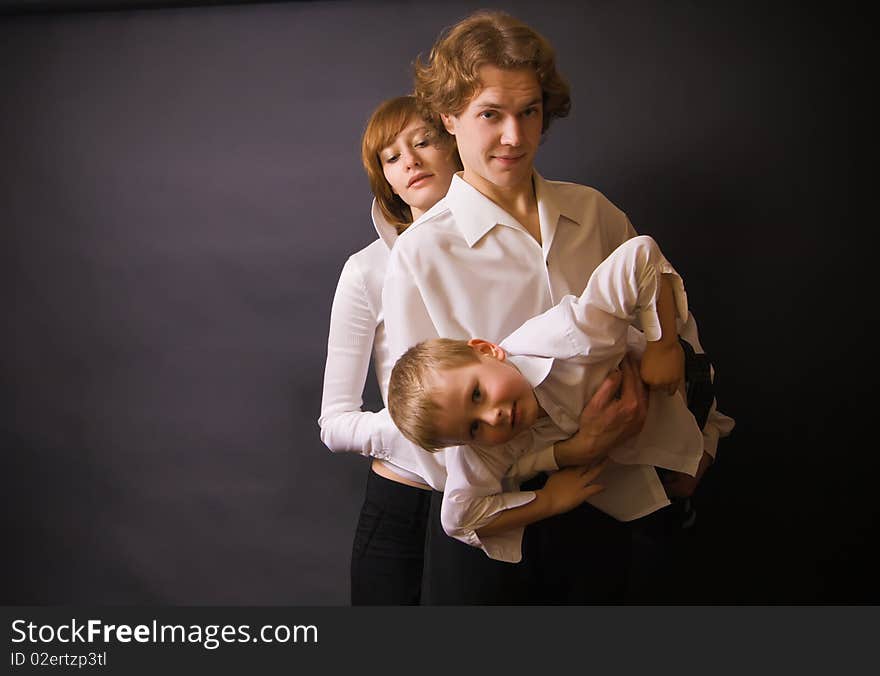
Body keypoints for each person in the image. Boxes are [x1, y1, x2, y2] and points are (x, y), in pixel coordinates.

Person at [382, 10, 732, 603]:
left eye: (530, 111)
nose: (515, 136)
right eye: (490, 114)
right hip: (505, 527)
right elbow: (423, 433)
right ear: (449, 117)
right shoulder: (420, 254)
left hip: (619, 505)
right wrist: (565, 453)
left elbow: (669, 316)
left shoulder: (593, 212)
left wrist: (705, 438)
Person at [388, 235, 734, 563]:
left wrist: (663, 347)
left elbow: (640, 255)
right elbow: (459, 519)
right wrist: (549, 500)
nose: (492, 418)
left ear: (487, 350)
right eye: (474, 428)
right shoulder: (481, 445)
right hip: (649, 484)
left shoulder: (570, 339)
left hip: (686, 393)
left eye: (477, 393)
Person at [317, 96, 461, 604]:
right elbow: (334, 422)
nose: (411, 161)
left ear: (456, 147)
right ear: (386, 179)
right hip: (403, 506)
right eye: (392, 156)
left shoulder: (510, 248)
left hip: (505, 503)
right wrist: (415, 426)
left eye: (423, 142)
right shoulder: (366, 269)